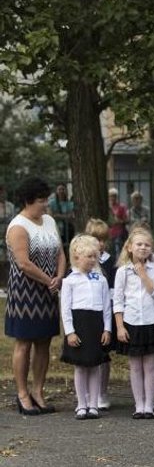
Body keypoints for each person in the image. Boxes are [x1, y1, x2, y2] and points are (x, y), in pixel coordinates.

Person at [5, 177, 65, 415]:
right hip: (25, 294)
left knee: (44, 342)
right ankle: (22, 394)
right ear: (28, 201)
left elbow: (60, 251)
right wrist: (48, 280)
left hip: (48, 291)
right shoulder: (18, 226)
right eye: (42, 200)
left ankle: (38, 391)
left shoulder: (49, 221)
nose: (46, 205)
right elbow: (23, 263)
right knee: (24, 343)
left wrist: (59, 276)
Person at [113, 227, 154, 419]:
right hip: (131, 322)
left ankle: (149, 405)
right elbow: (118, 301)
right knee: (135, 366)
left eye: (147, 245)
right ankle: (139, 404)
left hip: (152, 321)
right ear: (129, 247)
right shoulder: (122, 272)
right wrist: (119, 326)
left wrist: (143, 274)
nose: (143, 248)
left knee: (151, 366)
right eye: (139, 244)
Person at [60, 235, 111, 420]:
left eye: (94, 256)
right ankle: (81, 404)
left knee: (95, 366)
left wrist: (107, 329)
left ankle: (93, 404)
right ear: (77, 257)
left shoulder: (101, 279)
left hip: (96, 324)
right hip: (79, 325)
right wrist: (70, 332)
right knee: (81, 367)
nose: (92, 260)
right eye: (88, 256)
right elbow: (65, 309)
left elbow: (107, 306)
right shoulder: (70, 280)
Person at [84, 218, 116, 410]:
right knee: (87, 354)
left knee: (103, 355)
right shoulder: (83, 261)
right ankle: (87, 393)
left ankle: (102, 392)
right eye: (96, 239)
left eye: (103, 239)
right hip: (87, 313)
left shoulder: (110, 261)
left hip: (105, 312)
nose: (100, 243)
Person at [49, 183, 75, 252]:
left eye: (63, 189)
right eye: (59, 189)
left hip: (67, 229)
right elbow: (51, 216)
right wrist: (64, 216)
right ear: (56, 191)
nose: (61, 191)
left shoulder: (69, 203)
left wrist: (58, 215)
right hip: (55, 228)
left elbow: (71, 216)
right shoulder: (52, 203)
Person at [107, 188, 129, 257]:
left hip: (119, 232)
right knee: (109, 251)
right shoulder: (106, 207)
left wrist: (119, 221)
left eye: (114, 196)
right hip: (108, 232)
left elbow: (126, 220)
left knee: (118, 251)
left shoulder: (121, 207)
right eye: (111, 196)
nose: (112, 198)